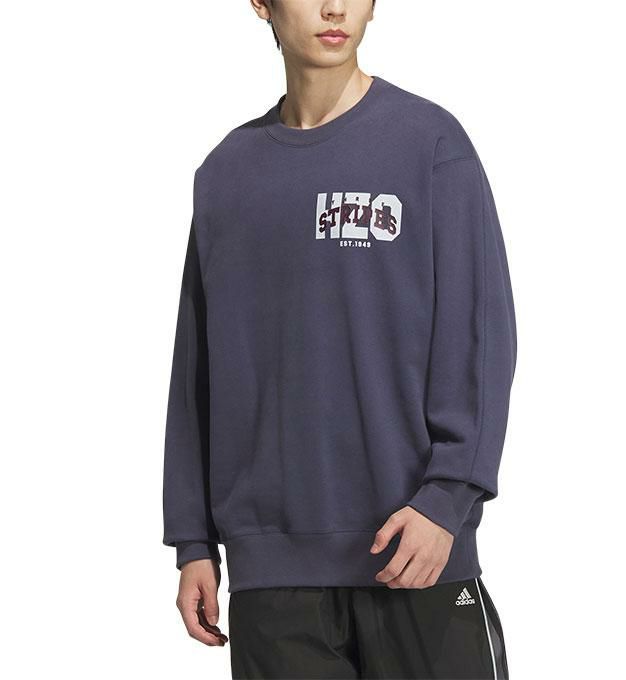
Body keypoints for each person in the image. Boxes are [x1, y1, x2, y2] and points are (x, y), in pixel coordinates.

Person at [162, 1, 517, 677]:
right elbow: (196, 372)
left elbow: (479, 334)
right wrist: (193, 540)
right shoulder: (225, 175)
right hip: (273, 576)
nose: (335, 8)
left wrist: (447, 499)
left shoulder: (431, 146)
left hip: (415, 549)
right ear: (261, 4)